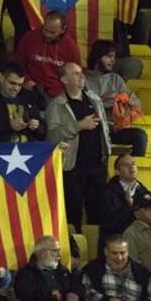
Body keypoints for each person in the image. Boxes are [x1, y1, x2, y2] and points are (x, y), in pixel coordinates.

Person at [45, 63, 111, 228]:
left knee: (96, 213)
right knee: (73, 213)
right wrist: (79, 126)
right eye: (75, 73)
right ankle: (75, 250)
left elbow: (104, 128)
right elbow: (53, 135)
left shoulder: (95, 99)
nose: (81, 76)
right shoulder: (56, 105)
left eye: (81, 73)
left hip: (97, 164)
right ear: (64, 79)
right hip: (72, 166)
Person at [83, 39, 147, 155]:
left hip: (114, 128)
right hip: (92, 128)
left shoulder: (115, 79)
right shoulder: (83, 79)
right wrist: (104, 101)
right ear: (97, 57)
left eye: (114, 57)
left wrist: (121, 98)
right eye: (109, 56)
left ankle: (130, 169)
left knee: (139, 136)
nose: (113, 60)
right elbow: (83, 107)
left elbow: (136, 104)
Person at [14, 11, 81, 99]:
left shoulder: (70, 46)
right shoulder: (30, 37)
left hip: (58, 94)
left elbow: (75, 75)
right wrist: (26, 80)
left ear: (62, 29)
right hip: (30, 89)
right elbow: (17, 63)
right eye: (45, 29)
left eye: (52, 32)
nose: (47, 34)